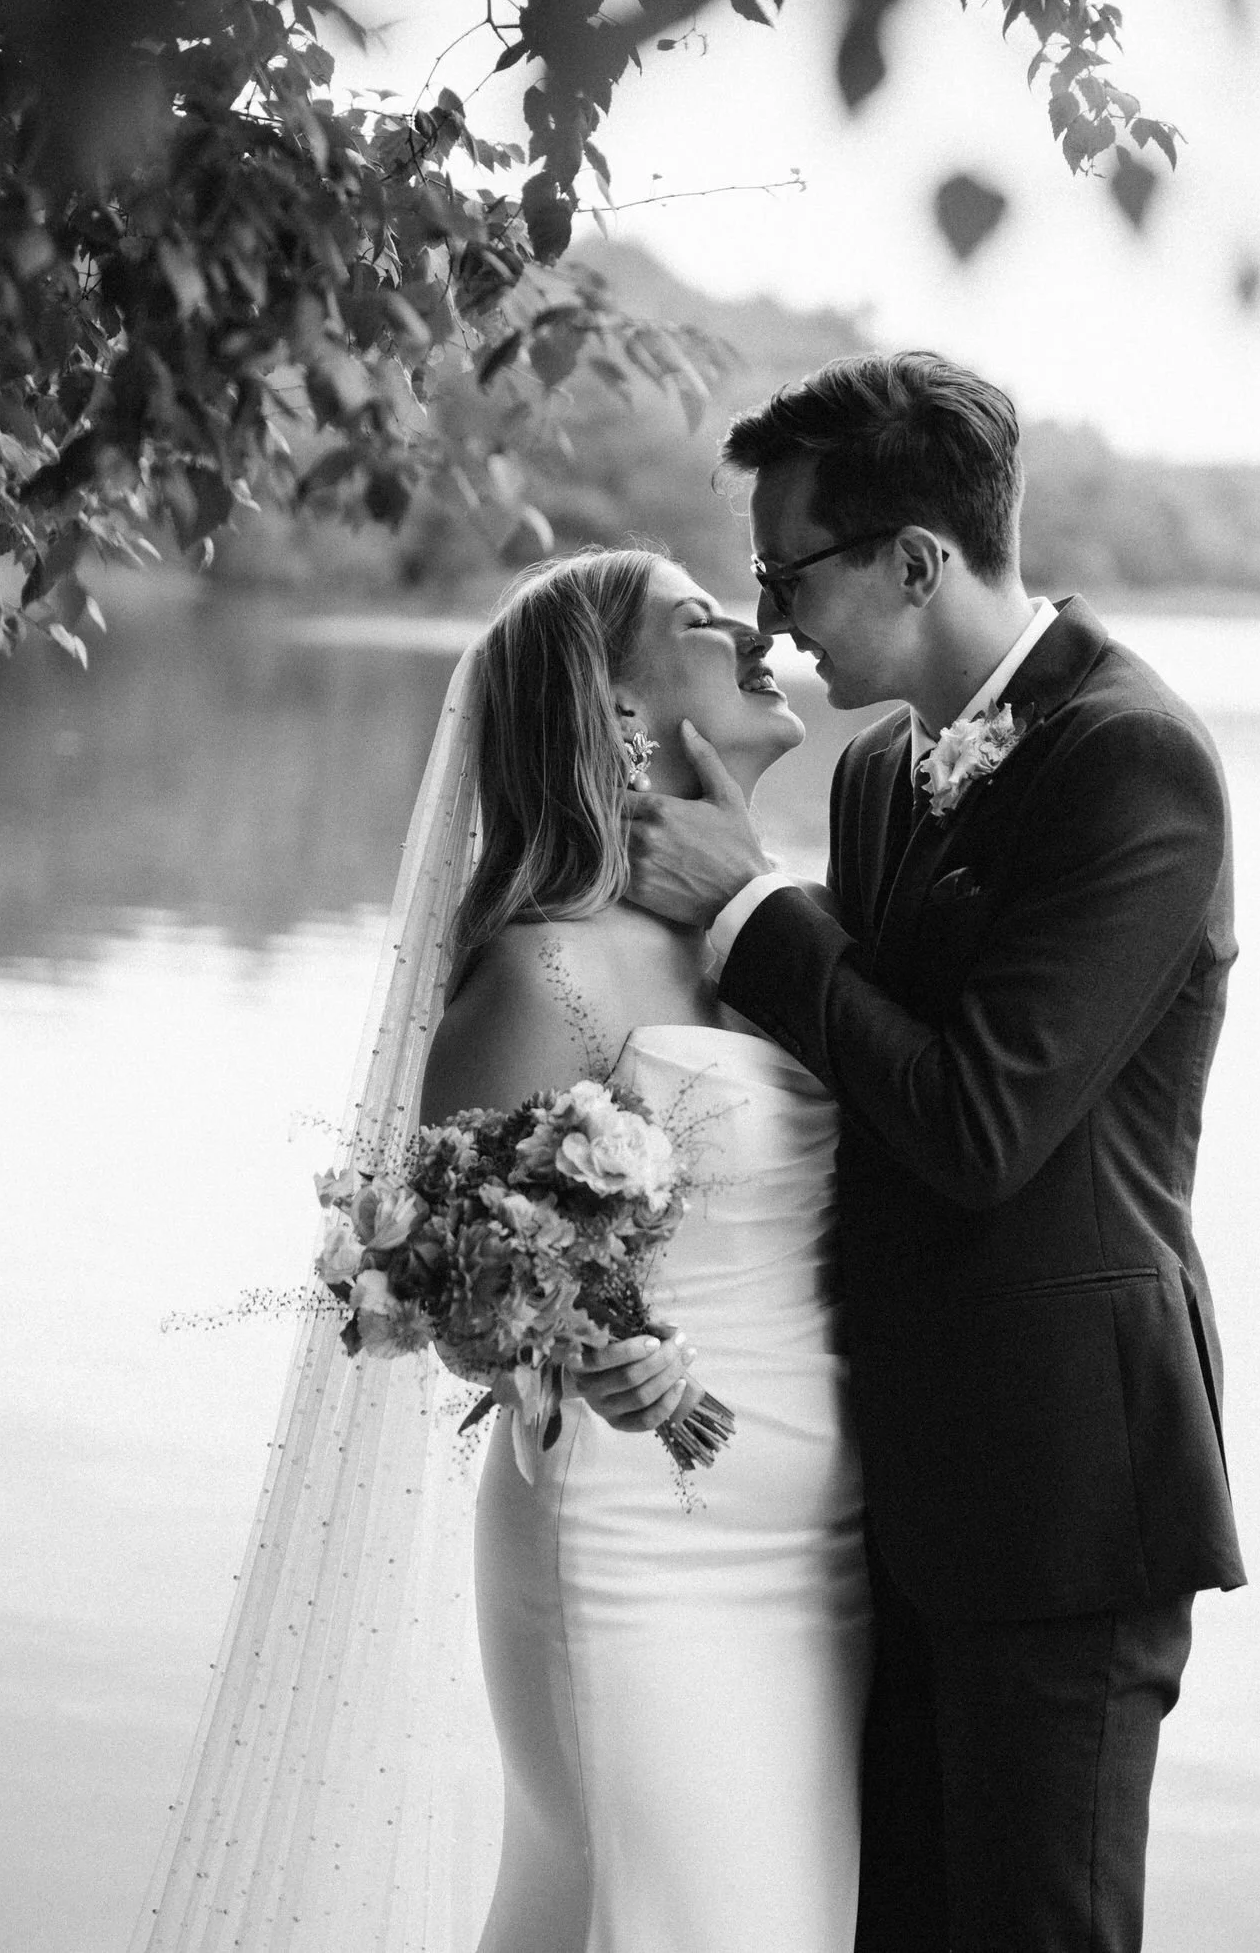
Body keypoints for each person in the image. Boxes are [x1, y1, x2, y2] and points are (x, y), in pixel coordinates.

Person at [622, 351, 1246, 1953]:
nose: (767, 617)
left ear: (915, 559)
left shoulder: (1132, 760)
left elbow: (976, 1124)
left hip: (1059, 1496)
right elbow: (860, 1068)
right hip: (880, 1486)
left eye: (787, 569)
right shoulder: (889, 770)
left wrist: (757, 911)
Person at [418, 549, 873, 1953]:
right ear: (611, 709)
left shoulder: (789, 934)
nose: (752, 628)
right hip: (635, 1545)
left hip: (822, 1546)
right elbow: (454, 1303)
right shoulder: (544, 965)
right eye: (697, 619)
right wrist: (583, 1342)